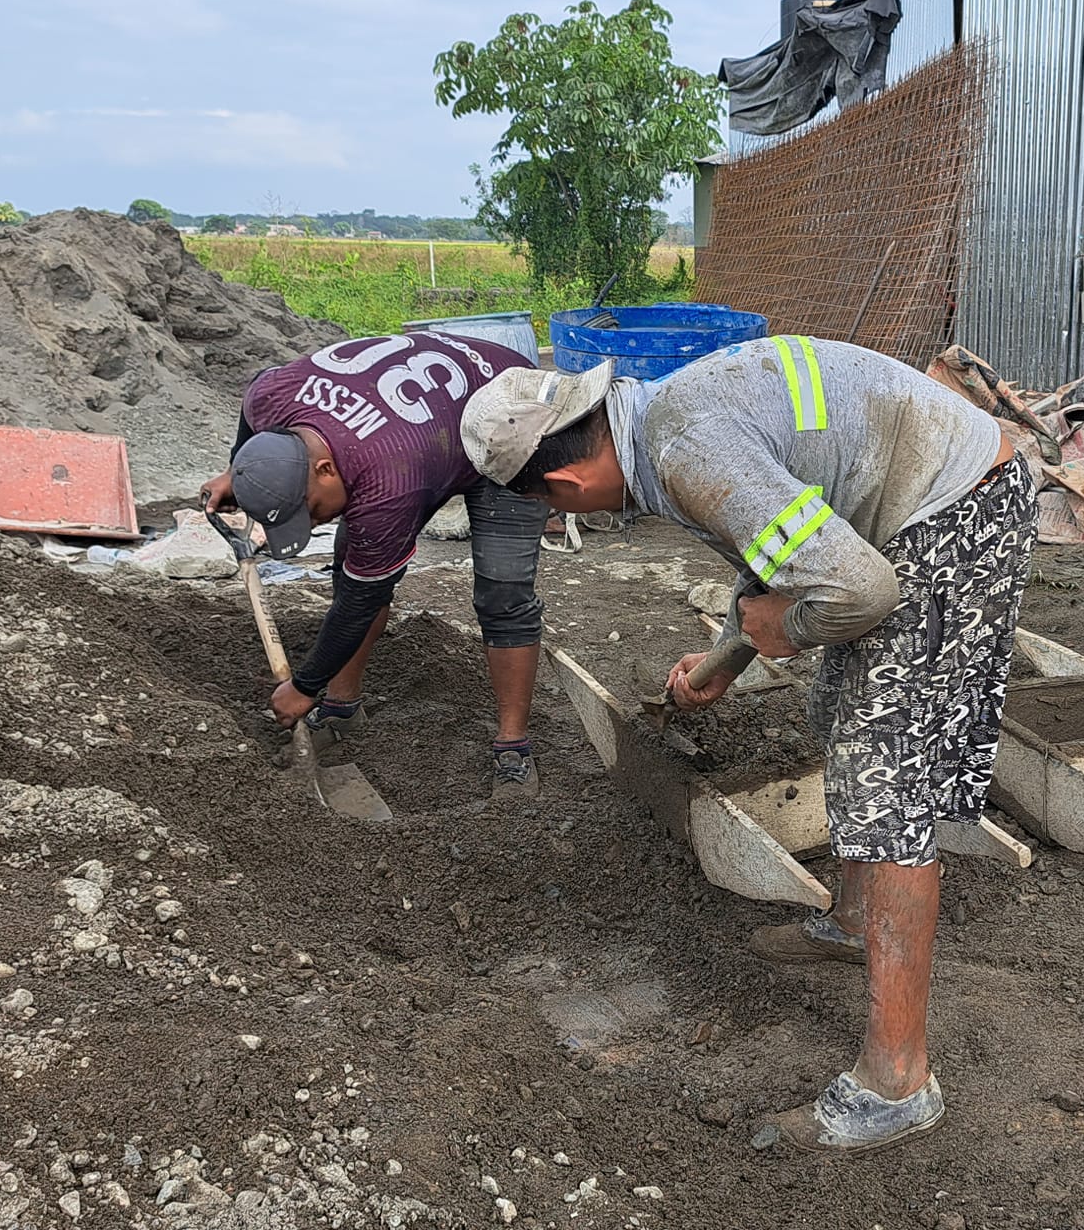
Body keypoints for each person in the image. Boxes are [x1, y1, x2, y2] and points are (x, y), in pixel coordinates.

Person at [460, 336, 1037, 1153]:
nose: (564, 520)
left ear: (566, 486)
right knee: (840, 718)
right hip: (913, 503)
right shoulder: (657, 423)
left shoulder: (686, 451)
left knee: (885, 780)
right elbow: (778, 546)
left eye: (552, 510)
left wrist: (787, 630)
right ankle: (853, 921)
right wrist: (726, 660)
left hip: (958, 509)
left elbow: (861, 590)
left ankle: (898, 1080)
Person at [202, 330, 551, 798]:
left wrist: (304, 686)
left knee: (502, 593)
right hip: (425, 425)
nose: (315, 522)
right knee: (353, 559)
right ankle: (341, 709)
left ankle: (513, 747)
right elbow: (253, 406)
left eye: (311, 510)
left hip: (512, 417)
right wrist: (241, 472)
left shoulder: (390, 481)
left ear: (325, 469)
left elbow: (361, 601)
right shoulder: (272, 394)